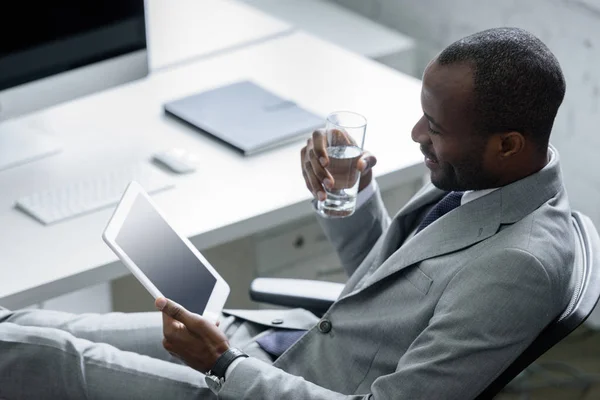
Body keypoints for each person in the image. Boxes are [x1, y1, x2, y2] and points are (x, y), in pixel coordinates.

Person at [0, 26, 574, 399]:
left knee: (43, 361)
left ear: (507, 143)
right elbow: (379, 293)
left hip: (267, 384)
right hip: (271, 342)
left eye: (438, 128)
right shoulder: (494, 179)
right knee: (29, 327)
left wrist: (223, 364)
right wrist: (343, 194)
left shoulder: (520, 266)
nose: (417, 133)